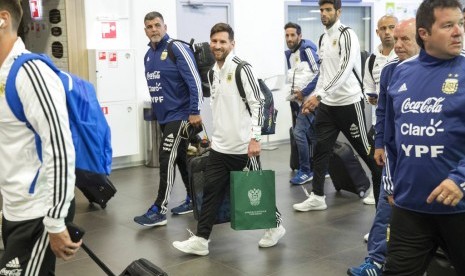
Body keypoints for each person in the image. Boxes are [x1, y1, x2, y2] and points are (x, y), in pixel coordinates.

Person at [172, 23, 285, 255]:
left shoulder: (243, 69)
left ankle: (275, 226)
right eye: (214, 41)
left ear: (232, 44)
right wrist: (216, 137)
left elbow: (259, 104)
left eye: (223, 41)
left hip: (244, 147)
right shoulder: (213, 72)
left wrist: (255, 139)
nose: (217, 46)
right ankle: (201, 240)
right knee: (212, 190)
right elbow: (218, 107)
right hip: (221, 147)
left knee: (256, 189)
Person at [383, 0, 465, 274]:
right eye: (448, 25)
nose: (458, 32)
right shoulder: (402, 73)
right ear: (424, 33)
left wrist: (460, 179)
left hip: (459, 206)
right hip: (410, 207)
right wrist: (393, 184)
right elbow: (393, 138)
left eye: (461, 24)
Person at [0, 0, 82, 274]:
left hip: (39, 211)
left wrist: (56, 221)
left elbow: (59, 148)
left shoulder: (31, 73)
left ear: (2, 19)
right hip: (14, 208)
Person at [293, 0, 382, 212]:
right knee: (321, 151)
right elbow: (324, 73)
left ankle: (382, 194)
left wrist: (320, 95)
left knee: (367, 152)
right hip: (327, 106)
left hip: (349, 103)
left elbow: (344, 70)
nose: (323, 13)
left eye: (328, 10)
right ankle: (317, 196)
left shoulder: (346, 34)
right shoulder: (323, 38)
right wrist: (313, 97)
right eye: (321, 10)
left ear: (338, 11)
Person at [347, 18, 420, 276]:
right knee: (384, 208)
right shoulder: (389, 71)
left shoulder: (434, 70)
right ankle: (375, 261)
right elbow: (383, 113)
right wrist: (379, 144)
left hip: (425, 160)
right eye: (395, 38)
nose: (397, 44)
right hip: (395, 154)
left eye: (404, 39)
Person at [134, 11, 203, 227]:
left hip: (182, 115)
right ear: (145, 30)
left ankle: (159, 209)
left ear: (164, 26)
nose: (153, 30)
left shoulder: (176, 47)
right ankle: (193, 199)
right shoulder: (148, 55)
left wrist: (195, 111)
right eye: (149, 27)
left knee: (167, 158)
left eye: (157, 25)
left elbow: (195, 82)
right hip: (165, 117)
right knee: (181, 158)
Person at [362, 15, 398, 206]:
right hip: (380, 122)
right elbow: (367, 86)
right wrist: (373, 97)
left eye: (391, 27)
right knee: (377, 168)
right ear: (377, 32)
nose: (387, 32)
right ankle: (380, 220)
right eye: (383, 28)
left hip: (400, 125)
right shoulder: (371, 60)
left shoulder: (403, 56)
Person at [284, 22, 320, 185]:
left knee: (299, 132)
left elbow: (320, 73)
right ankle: (322, 167)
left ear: (300, 35)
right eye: (287, 35)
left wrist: (304, 93)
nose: (289, 38)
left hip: (312, 100)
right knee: (311, 134)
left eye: (292, 35)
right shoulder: (290, 54)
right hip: (299, 101)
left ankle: (306, 171)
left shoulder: (307, 50)